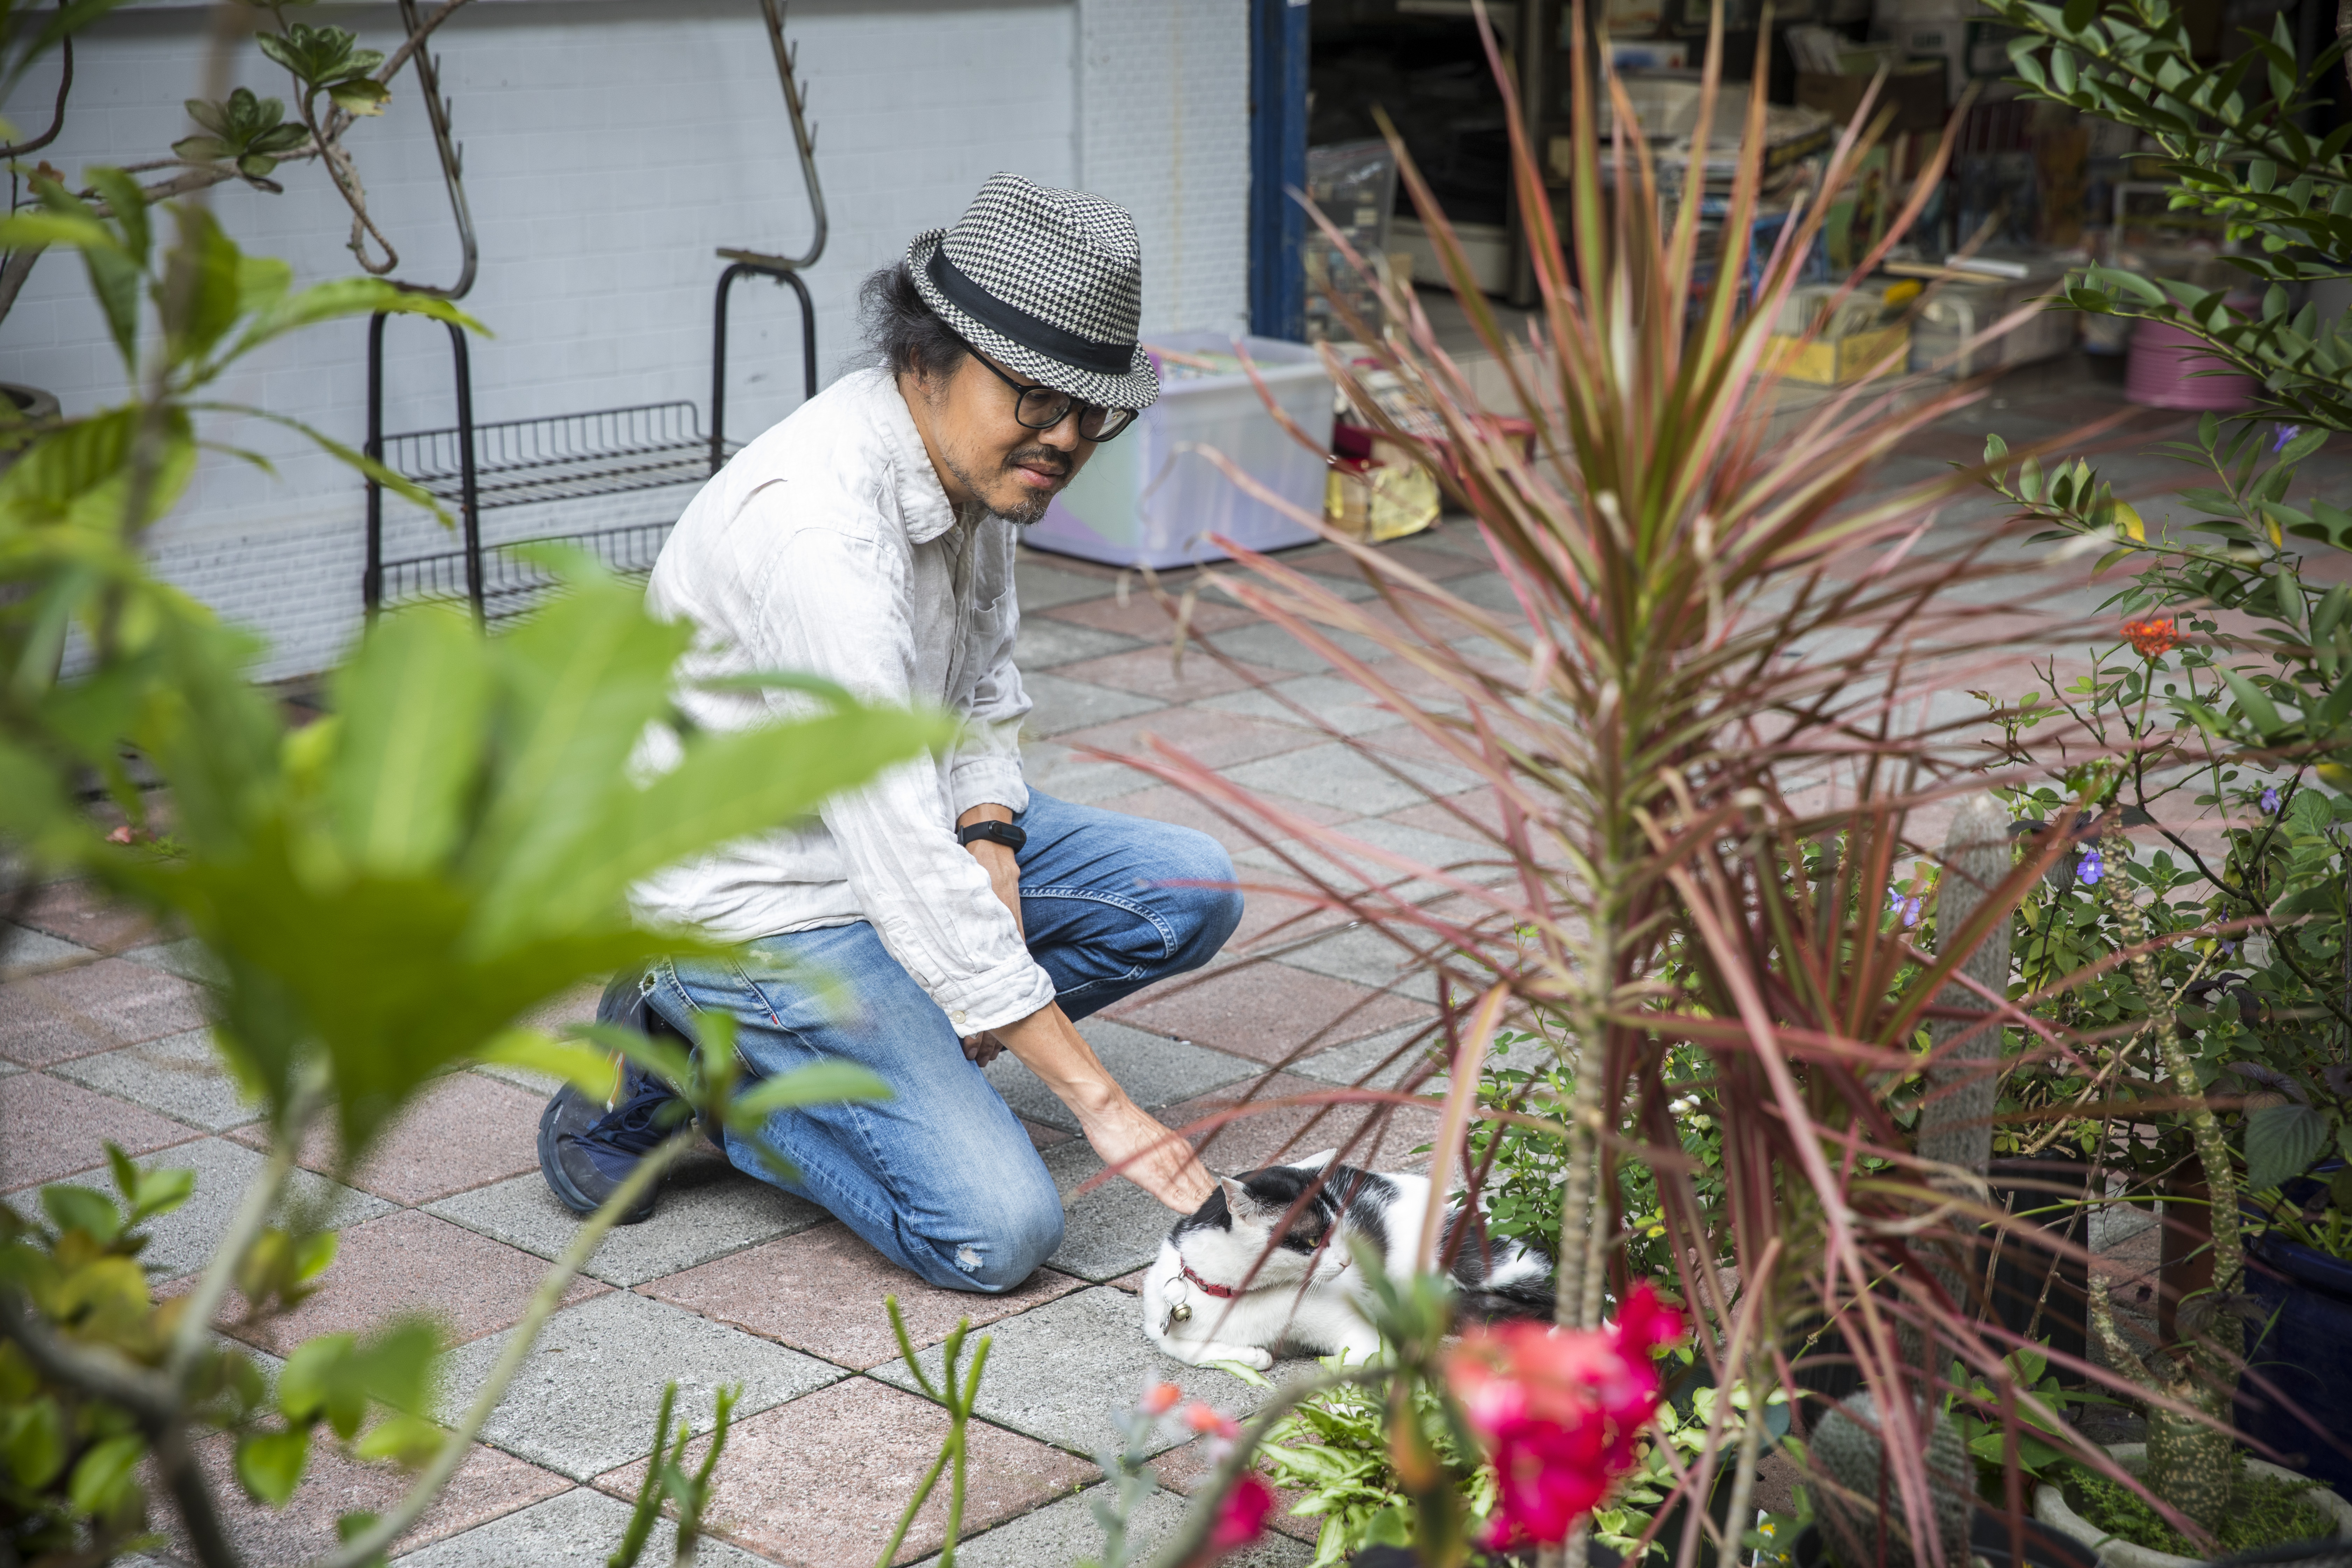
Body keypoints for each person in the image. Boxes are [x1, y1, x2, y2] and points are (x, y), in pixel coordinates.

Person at [536, 173, 1238, 1294]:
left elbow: (982, 688)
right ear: (928, 354)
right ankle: (700, 1058)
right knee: (997, 1233)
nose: (1066, 437)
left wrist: (992, 836)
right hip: (757, 904)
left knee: (1190, 890)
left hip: (892, 842)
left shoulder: (978, 467)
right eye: (1036, 398)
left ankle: (873, 1049)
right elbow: (897, 846)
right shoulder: (819, 532)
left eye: (1091, 409)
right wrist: (1102, 1105)